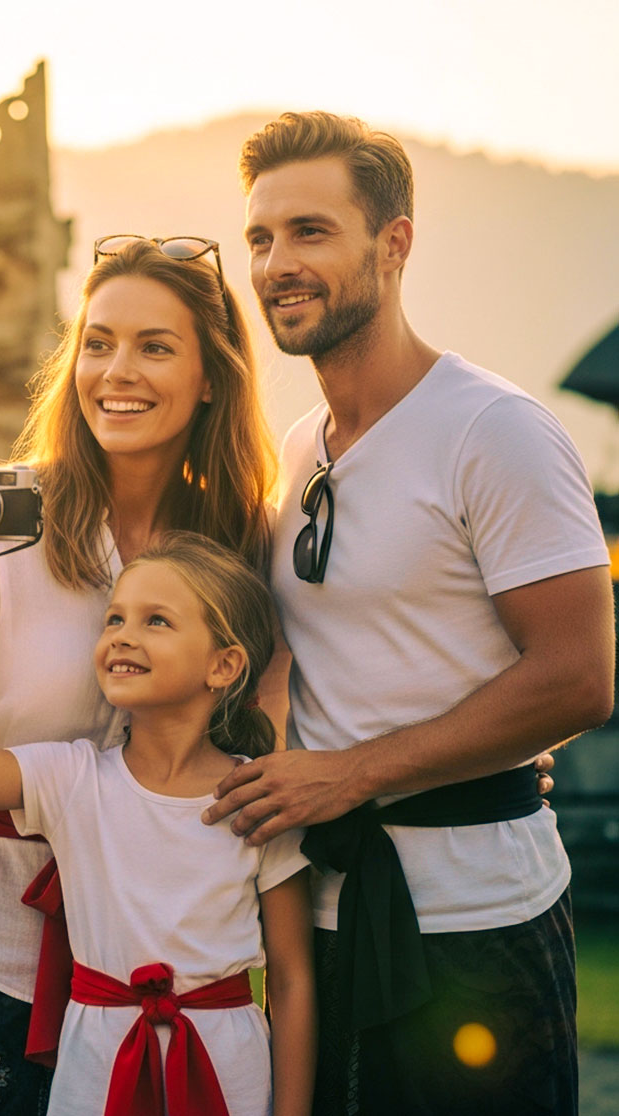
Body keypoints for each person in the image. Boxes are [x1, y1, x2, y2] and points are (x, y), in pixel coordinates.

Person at [203, 111, 616, 1114]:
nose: (274, 264)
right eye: (259, 238)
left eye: (309, 231)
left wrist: (346, 776)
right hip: (328, 920)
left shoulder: (494, 430)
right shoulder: (297, 448)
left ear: (393, 243)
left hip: (478, 924)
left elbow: (576, 675)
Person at [0, 237, 280, 1115]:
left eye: (154, 346)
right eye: (98, 342)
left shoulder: (240, 539)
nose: (116, 371)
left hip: (153, 927)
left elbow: (287, 707)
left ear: (211, 377)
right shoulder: (3, 515)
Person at [0, 531, 316, 1116]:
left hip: (230, 1076)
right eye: (114, 618)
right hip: (96, 1075)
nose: (121, 635)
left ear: (224, 665)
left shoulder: (259, 799)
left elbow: (292, 981)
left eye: (156, 621)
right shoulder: (71, 781)